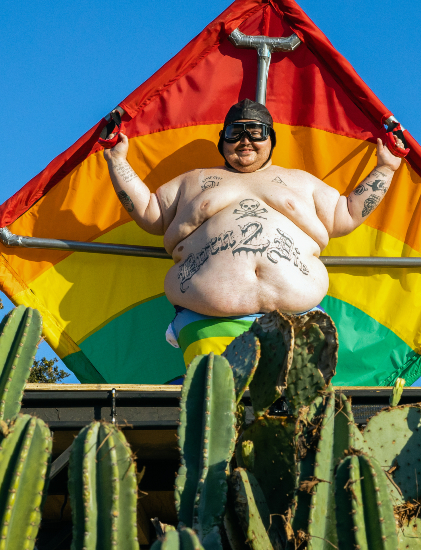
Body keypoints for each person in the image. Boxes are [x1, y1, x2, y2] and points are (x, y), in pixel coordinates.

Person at [103, 99, 404, 365]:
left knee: (290, 416)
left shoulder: (301, 182)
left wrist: (386, 168)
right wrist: (117, 162)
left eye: (256, 131)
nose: (245, 140)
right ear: (222, 140)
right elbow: (149, 214)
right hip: (207, 321)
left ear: (271, 139)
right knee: (216, 405)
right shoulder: (192, 182)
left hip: (298, 321)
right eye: (235, 132)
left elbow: (347, 214)